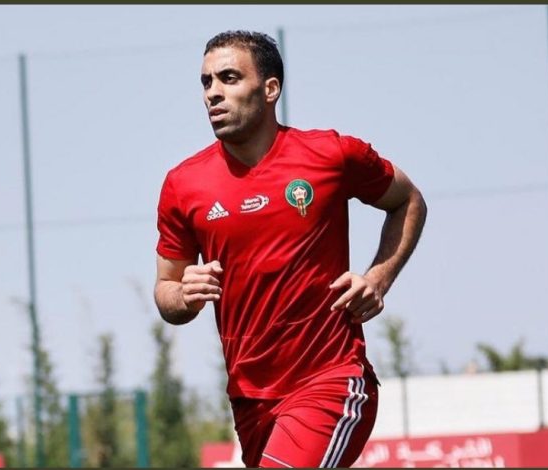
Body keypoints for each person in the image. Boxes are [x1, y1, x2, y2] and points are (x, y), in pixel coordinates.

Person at [154, 30, 427, 468]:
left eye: (228, 78)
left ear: (270, 89)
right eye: (206, 82)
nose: (213, 93)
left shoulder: (331, 155)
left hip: (331, 380)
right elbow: (166, 289)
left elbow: (408, 201)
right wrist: (183, 295)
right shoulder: (183, 184)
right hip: (251, 401)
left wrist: (378, 278)